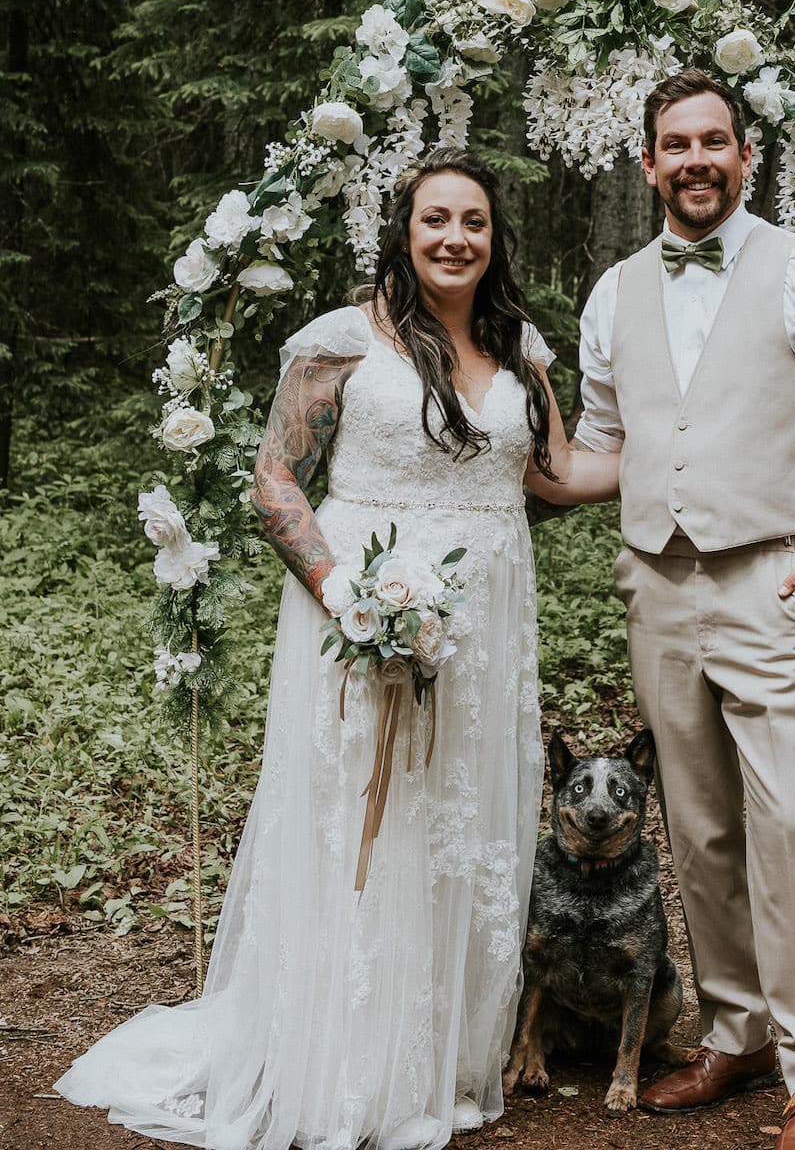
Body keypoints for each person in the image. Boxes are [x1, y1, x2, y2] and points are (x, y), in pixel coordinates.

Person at [55, 150, 618, 1150]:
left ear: (496, 239)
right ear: (403, 228)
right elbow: (277, 479)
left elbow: (556, 471)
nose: (455, 237)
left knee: (456, 826)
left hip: (486, 622)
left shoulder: (519, 348)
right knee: (369, 824)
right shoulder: (343, 342)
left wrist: (683, 448)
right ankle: (346, 1061)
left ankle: (431, 1053)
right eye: (436, 218)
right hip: (362, 613)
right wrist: (349, 600)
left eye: (475, 222)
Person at [570, 69, 795, 1150]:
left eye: (714, 142)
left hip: (776, 579)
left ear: (746, 155)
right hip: (657, 588)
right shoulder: (612, 291)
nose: (695, 162)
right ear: (647, 164)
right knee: (701, 826)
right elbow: (600, 449)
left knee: (790, 826)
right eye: (675, 145)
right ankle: (736, 1032)